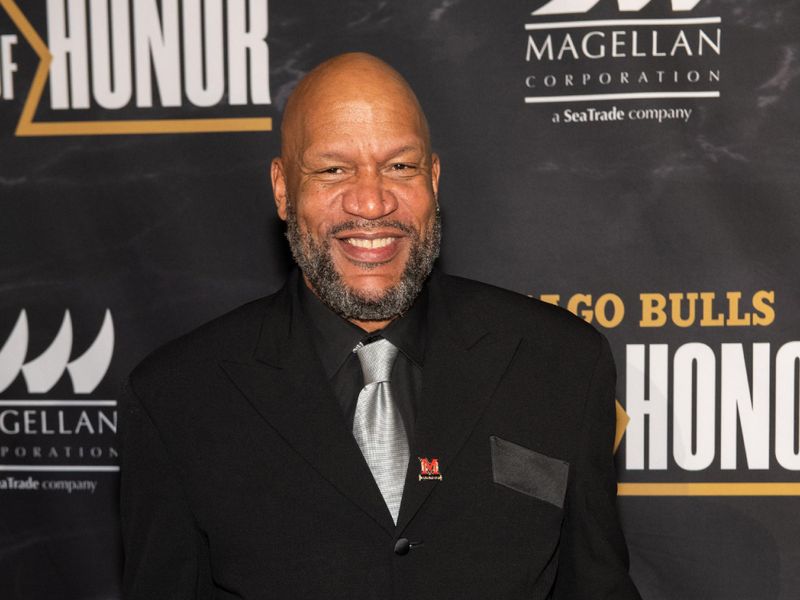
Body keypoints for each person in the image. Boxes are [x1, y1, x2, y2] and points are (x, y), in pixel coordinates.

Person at [119, 52, 642, 599]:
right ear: (282, 189)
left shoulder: (560, 365)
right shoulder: (177, 399)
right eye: (333, 169)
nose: (371, 201)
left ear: (434, 180)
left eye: (400, 166)